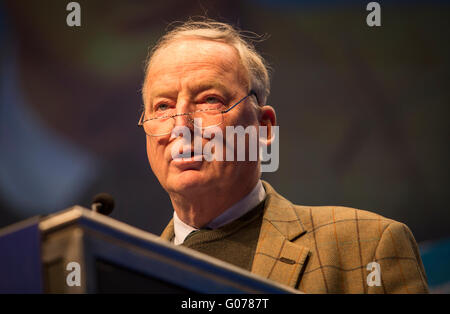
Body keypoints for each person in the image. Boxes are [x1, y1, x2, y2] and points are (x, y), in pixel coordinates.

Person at [138, 18, 428, 293]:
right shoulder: (122, 273)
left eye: (210, 100)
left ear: (263, 127)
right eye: (163, 107)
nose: (181, 126)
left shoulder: (368, 246)